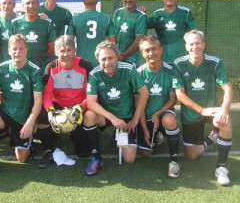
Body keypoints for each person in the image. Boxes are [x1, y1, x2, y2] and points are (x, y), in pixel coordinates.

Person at [172, 30, 233, 186]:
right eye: (191, 44)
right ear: (186, 47)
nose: (195, 46)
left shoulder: (215, 62)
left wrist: (224, 110)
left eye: (198, 43)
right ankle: (212, 137)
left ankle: (221, 167)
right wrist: (201, 110)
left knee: (225, 121)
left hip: (212, 109)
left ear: (203, 45)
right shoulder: (179, 64)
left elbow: (228, 88)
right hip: (192, 113)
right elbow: (179, 94)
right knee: (191, 156)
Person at [0, 34, 43, 180]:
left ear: (26, 50)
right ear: (9, 50)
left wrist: (30, 122)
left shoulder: (34, 71)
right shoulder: (3, 68)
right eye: (14, 48)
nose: (17, 52)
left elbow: (38, 100)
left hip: (23, 116)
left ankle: (29, 143)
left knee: (22, 158)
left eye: (21, 48)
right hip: (6, 112)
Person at [84, 41, 149, 175]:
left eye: (110, 58)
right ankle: (96, 156)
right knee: (89, 116)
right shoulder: (94, 74)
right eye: (103, 59)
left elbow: (144, 93)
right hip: (107, 116)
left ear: (117, 57)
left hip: (126, 117)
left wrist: (135, 119)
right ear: (98, 59)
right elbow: (91, 102)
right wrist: (112, 118)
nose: (107, 62)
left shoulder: (129, 69)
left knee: (129, 159)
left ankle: (117, 134)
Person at [36, 35, 93, 169]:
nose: (65, 54)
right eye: (61, 51)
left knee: (83, 153)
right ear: (56, 52)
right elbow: (47, 94)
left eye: (69, 50)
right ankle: (49, 149)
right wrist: (50, 111)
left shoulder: (85, 66)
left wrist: (80, 107)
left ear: (74, 51)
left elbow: (90, 95)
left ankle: (74, 134)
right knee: (42, 116)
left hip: (79, 107)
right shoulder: (51, 67)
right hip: (59, 106)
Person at [136, 35, 181, 178]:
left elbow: (172, 100)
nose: (151, 53)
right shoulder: (138, 73)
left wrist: (158, 113)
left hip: (164, 114)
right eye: (147, 50)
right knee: (146, 153)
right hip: (145, 117)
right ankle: (157, 136)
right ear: (142, 53)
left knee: (169, 120)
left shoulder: (171, 70)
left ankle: (174, 161)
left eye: (154, 49)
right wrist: (144, 129)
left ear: (161, 50)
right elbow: (139, 107)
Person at [148, 0, 197, 64]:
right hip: (163, 61)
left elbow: (195, 33)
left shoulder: (186, 12)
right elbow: (142, 25)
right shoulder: (157, 14)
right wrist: (141, 12)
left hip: (182, 60)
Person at [67, 0, 116, 67]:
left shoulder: (75, 19)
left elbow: (68, 42)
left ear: (83, 1)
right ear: (97, 1)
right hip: (101, 61)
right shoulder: (107, 19)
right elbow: (113, 43)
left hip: (81, 61)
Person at [11, 0, 56, 71]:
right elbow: (11, 47)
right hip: (21, 69)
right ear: (22, 5)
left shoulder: (48, 23)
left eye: (34, 3)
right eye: (27, 3)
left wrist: (45, 65)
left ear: (38, 5)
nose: (31, 6)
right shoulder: (15, 23)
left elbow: (52, 48)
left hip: (42, 69)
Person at [113, 0, 147, 66]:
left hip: (131, 60)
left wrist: (123, 55)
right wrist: (116, 52)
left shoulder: (141, 16)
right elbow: (112, 35)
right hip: (116, 58)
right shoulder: (117, 12)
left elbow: (138, 40)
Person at [0, 0, 20, 72]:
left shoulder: (20, 19)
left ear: (14, 5)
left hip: (18, 61)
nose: (6, 6)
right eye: (4, 3)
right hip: (1, 61)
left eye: (9, 3)